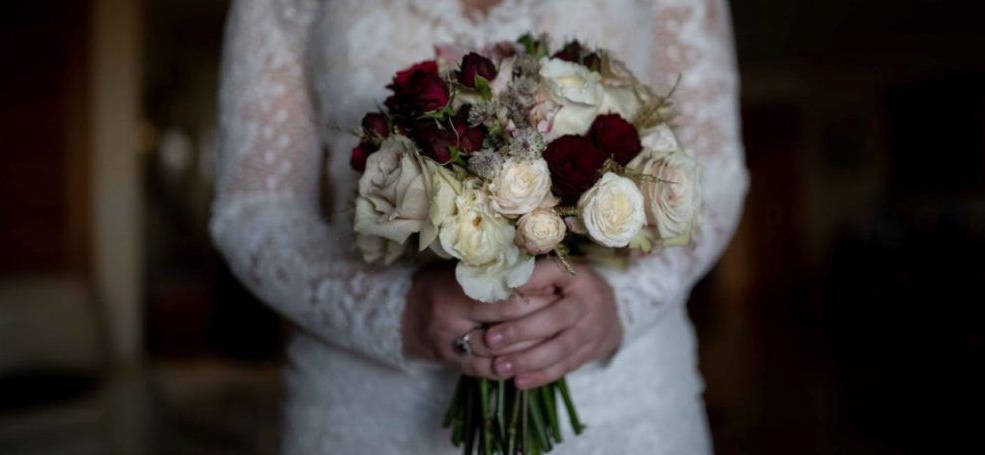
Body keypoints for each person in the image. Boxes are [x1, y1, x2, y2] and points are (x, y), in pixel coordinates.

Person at [211, 0, 749, 453]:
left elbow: (715, 176)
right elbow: (254, 208)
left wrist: (620, 302)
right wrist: (396, 312)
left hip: (621, 398)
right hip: (370, 403)